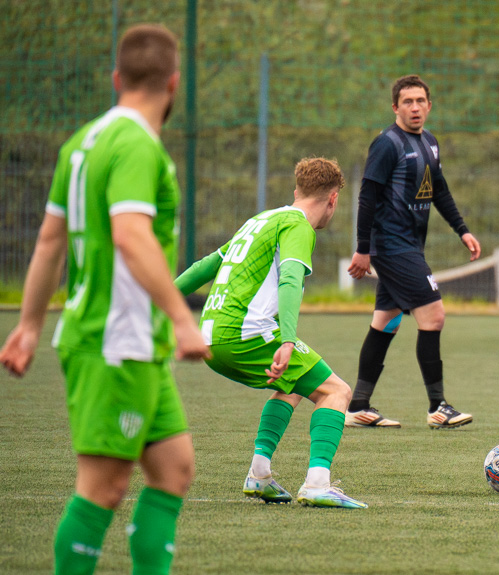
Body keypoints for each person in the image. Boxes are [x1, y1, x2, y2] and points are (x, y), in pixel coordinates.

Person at [0, 24, 211, 574]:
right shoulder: (138, 145)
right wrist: (182, 319)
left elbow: (49, 240)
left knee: (173, 468)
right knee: (103, 487)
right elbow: (131, 235)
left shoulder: (83, 142)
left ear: (118, 78)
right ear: (174, 82)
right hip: (115, 340)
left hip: (126, 341)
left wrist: (27, 326)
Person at [174, 157, 367, 509]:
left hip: (210, 336)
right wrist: (288, 339)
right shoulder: (298, 226)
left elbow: (206, 266)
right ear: (334, 199)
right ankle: (318, 483)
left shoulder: (260, 220)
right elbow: (291, 279)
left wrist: (160, 300)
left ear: (297, 191)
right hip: (246, 334)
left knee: (293, 387)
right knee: (336, 391)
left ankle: (259, 474)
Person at [346, 74, 481, 429]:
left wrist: (462, 230)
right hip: (391, 246)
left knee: (385, 323)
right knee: (433, 316)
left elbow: (439, 190)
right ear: (395, 107)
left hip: (407, 245)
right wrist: (363, 250)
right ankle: (438, 406)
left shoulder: (430, 143)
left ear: (429, 105)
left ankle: (357, 405)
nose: (415, 107)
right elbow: (367, 196)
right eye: (407, 102)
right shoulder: (386, 144)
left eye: (420, 101)